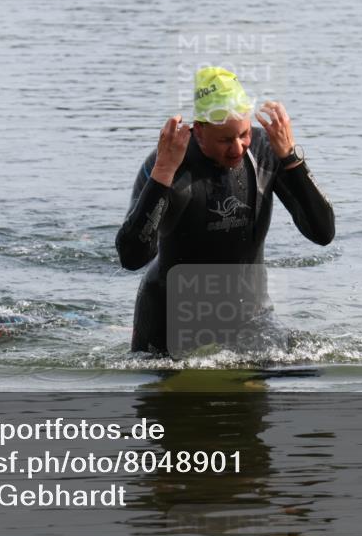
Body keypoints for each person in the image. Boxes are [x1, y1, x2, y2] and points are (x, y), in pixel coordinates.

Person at [116, 66, 335, 355]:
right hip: (170, 320)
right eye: (225, 140)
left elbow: (322, 233)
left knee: (301, 373)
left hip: (250, 318)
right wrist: (162, 176)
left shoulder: (264, 151)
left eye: (243, 134)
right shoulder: (169, 161)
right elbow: (132, 256)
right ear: (199, 131)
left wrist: (292, 159)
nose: (238, 148)